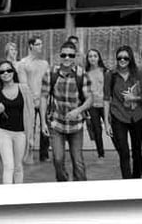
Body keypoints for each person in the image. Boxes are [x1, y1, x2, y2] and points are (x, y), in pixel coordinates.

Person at [40, 41, 92, 181]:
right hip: (56, 123)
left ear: (75, 56)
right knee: (57, 159)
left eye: (70, 55)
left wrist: (78, 110)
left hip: (76, 124)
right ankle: (63, 184)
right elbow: (43, 97)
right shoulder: (51, 73)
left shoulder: (81, 74)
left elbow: (89, 99)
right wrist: (43, 123)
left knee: (78, 161)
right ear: (60, 55)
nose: (67, 58)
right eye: (64, 55)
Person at [104, 45, 142, 179]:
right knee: (123, 152)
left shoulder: (139, 74)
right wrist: (106, 122)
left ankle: (136, 179)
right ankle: (127, 182)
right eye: (119, 58)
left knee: (137, 152)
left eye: (125, 58)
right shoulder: (110, 75)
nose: (122, 60)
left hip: (137, 116)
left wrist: (134, 98)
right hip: (118, 116)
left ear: (131, 59)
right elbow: (106, 98)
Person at [0, 60, 34, 184]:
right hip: (3, 132)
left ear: (13, 72)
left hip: (21, 133)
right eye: (2, 72)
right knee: (8, 166)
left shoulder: (24, 89)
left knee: (18, 167)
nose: (6, 73)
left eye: (9, 70)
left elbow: (31, 114)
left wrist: (31, 137)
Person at [15, 36, 50, 163]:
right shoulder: (22, 63)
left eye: (41, 44)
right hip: (29, 100)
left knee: (45, 125)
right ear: (31, 46)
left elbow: (47, 83)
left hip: (43, 100)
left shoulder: (44, 63)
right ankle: (27, 154)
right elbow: (23, 84)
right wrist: (32, 97)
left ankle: (44, 155)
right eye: (38, 44)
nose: (41, 46)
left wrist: (44, 98)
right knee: (29, 127)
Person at [84, 48, 107, 159]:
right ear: (87, 59)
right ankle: (101, 154)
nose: (92, 58)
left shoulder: (105, 71)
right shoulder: (85, 73)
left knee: (111, 128)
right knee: (97, 130)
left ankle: (120, 150)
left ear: (99, 58)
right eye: (90, 56)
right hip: (92, 105)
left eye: (95, 56)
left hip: (105, 104)